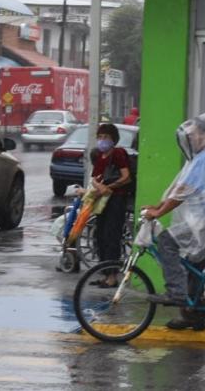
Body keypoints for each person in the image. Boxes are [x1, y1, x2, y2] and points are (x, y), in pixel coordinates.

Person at [142, 113, 205, 330]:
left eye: (194, 136)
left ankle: (176, 294)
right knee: (194, 262)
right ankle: (194, 316)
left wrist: (159, 213)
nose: (190, 141)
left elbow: (183, 192)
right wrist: (158, 207)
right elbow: (183, 192)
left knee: (166, 241)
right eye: (187, 138)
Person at [86, 122, 132, 287]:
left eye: (105, 137)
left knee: (112, 237)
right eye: (99, 137)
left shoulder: (119, 153)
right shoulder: (99, 156)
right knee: (100, 237)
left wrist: (108, 188)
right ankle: (105, 274)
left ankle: (113, 277)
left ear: (114, 139)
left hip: (116, 200)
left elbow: (126, 177)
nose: (102, 140)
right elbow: (95, 179)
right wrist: (97, 189)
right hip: (102, 202)